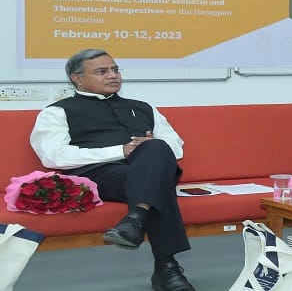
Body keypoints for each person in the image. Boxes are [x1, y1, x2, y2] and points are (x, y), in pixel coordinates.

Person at [29, 49, 195, 290]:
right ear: (77, 78)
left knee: (156, 148)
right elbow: (53, 156)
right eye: (102, 71)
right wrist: (122, 150)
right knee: (156, 181)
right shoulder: (57, 112)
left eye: (115, 69)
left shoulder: (144, 107)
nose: (113, 75)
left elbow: (176, 147)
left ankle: (135, 219)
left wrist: (145, 149)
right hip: (97, 174)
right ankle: (166, 268)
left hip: (144, 172)